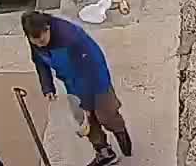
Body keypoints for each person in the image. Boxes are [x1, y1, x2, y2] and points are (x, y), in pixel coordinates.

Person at [24, 11, 132, 164]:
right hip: (72, 82)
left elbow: (86, 72)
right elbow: (40, 62)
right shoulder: (35, 38)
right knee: (84, 121)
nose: (40, 45)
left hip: (94, 77)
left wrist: (86, 105)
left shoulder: (71, 38)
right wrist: (47, 86)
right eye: (35, 42)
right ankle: (104, 152)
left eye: (42, 40)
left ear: (47, 28)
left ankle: (121, 133)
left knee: (106, 114)